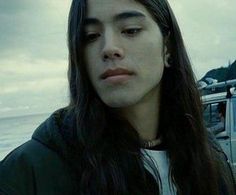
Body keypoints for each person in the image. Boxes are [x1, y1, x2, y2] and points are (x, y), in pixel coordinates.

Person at [0, 0, 235, 194]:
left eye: (130, 30)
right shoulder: (29, 172)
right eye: (91, 36)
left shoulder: (209, 157)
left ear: (168, 48)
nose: (109, 48)